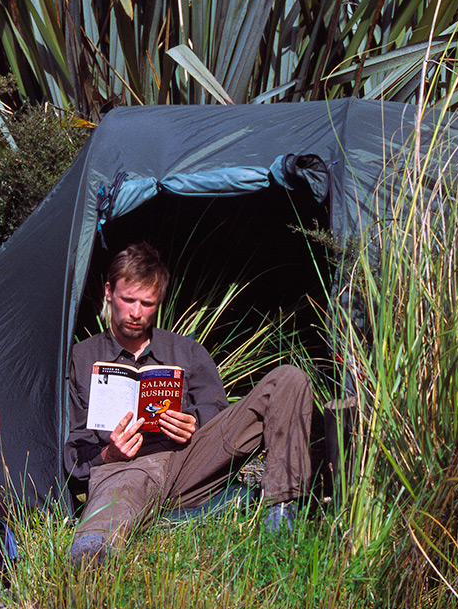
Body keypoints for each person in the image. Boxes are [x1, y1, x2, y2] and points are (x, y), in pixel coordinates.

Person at [64, 242, 313, 566]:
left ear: (159, 303)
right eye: (128, 300)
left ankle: (281, 514)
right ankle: (93, 551)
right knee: (127, 480)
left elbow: (218, 411)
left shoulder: (186, 350)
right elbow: (72, 448)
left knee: (288, 379)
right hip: (127, 469)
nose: (136, 313)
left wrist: (193, 422)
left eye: (147, 303)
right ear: (109, 292)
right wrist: (109, 454)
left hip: (190, 462)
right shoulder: (81, 357)